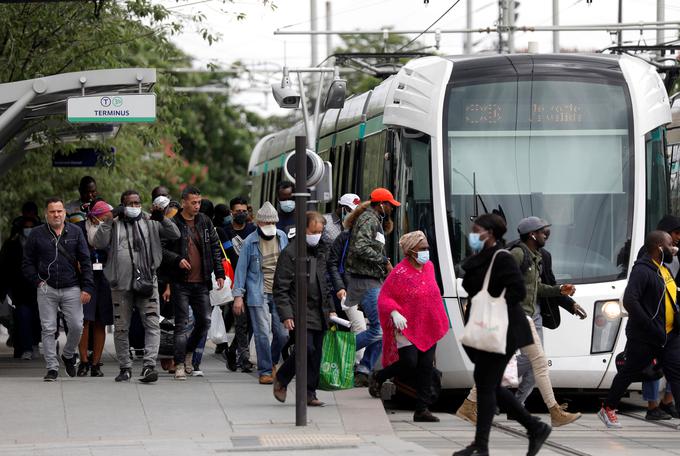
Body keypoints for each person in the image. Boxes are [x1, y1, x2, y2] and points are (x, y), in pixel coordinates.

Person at [457, 217, 581, 428]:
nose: (546, 236)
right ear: (532, 234)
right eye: (543, 232)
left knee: (505, 365)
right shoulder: (517, 254)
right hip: (515, 316)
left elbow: (537, 288)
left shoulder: (536, 257)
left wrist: (559, 291)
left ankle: (469, 404)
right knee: (539, 362)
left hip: (523, 316)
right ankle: (555, 411)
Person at [455, 214, 550, 456]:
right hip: (486, 329)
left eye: (477, 230)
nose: (473, 234)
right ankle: (534, 426)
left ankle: (482, 446)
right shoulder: (481, 257)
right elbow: (471, 284)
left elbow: (518, 291)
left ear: (490, 233)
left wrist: (495, 307)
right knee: (489, 385)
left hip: (502, 330)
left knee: (487, 385)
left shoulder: (503, 257)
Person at [93, 189, 180, 383]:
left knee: (151, 325)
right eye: (130, 204)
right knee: (122, 327)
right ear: (122, 205)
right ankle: (125, 367)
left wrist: (162, 219)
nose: (134, 207)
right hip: (120, 285)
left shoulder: (151, 220)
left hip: (148, 282)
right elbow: (98, 242)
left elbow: (175, 234)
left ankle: (149, 366)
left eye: (137, 203)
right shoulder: (114, 224)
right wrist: (108, 218)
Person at [599, 230, 680, 428]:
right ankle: (607, 409)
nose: (674, 248)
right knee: (629, 372)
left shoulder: (663, 269)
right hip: (646, 337)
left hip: (668, 335)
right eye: (670, 245)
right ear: (659, 248)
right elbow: (629, 300)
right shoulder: (642, 271)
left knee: (676, 373)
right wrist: (650, 325)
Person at [368, 231, 449, 422]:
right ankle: (380, 376)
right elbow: (384, 297)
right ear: (411, 251)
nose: (426, 252)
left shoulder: (429, 267)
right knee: (409, 363)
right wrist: (394, 312)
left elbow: (432, 294)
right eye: (422, 249)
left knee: (426, 366)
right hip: (405, 326)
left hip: (428, 324)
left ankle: (421, 409)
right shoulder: (399, 272)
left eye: (427, 248)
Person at [22, 197, 95, 381]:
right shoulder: (37, 234)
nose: (56, 214)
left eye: (59, 211)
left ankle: (68, 354)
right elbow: (27, 263)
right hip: (47, 288)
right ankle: (52, 368)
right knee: (48, 329)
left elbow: (86, 261)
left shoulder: (76, 232)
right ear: (46, 214)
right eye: (52, 211)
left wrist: (87, 287)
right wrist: (37, 281)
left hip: (71, 287)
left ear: (64, 213)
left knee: (77, 325)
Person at [272, 211, 336, 406]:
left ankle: (310, 392)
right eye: (314, 230)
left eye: (320, 231)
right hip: (300, 310)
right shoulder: (291, 253)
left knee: (316, 354)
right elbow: (280, 287)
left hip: (320, 311)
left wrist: (331, 308)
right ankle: (282, 379)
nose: (318, 234)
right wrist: (286, 314)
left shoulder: (322, 251)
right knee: (305, 348)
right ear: (304, 229)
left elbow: (325, 284)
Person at [164, 187, 225, 380]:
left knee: (204, 321)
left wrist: (220, 272)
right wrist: (177, 259)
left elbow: (215, 247)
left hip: (202, 281)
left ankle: (189, 353)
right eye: (193, 202)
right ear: (184, 202)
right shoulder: (173, 223)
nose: (197, 206)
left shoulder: (205, 222)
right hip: (180, 282)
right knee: (181, 324)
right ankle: (180, 363)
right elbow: (162, 249)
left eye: (199, 202)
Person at [345, 188, 399, 386]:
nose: (392, 209)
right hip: (365, 280)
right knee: (380, 329)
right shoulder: (369, 219)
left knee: (382, 327)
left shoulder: (373, 219)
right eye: (390, 205)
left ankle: (364, 370)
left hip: (371, 279)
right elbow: (360, 247)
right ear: (382, 204)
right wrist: (383, 260)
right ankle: (342, 348)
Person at [232, 202, 289, 384]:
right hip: (258, 292)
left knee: (283, 334)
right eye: (267, 223)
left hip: (280, 292)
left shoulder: (282, 237)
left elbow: (288, 264)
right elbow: (241, 270)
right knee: (262, 332)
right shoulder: (250, 242)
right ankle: (265, 370)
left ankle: (272, 361)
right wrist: (238, 296)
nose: (270, 226)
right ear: (259, 224)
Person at [639, 215, 680, 420]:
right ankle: (652, 405)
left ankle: (667, 402)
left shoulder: (674, 254)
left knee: (674, 362)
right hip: (654, 318)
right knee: (651, 363)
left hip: (672, 318)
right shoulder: (648, 255)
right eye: (674, 234)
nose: (677, 239)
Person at [76, 200, 115, 377]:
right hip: (85, 279)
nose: (108, 221)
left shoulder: (111, 230)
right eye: (105, 217)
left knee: (101, 321)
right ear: (96, 217)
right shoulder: (80, 230)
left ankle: (96, 363)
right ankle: (83, 361)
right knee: (84, 321)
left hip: (105, 280)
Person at [327, 197, 366, 367]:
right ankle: (355, 365)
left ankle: (354, 363)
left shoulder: (369, 236)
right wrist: (340, 287)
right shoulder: (343, 236)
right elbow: (332, 263)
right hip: (348, 289)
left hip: (364, 289)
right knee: (359, 327)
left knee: (366, 328)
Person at [220, 196, 256, 372]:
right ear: (231, 212)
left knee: (251, 323)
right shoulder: (224, 231)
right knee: (241, 322)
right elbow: (229, 256)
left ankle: (233, 350)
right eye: (238, 211)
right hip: (235, 282)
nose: (241, 214)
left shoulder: (253, 230)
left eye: (244, 211)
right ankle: (244, 358)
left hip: (253, 281)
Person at [0, 212, 42, 360]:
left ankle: (35, 344)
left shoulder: (41, 242)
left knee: (38, 317)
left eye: (31, 226)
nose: (28, 229)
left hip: (39, 288)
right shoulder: (12, 244)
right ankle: (26, 347)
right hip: (19, 290)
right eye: (26, 226)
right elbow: (4, 267)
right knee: (22, 317)